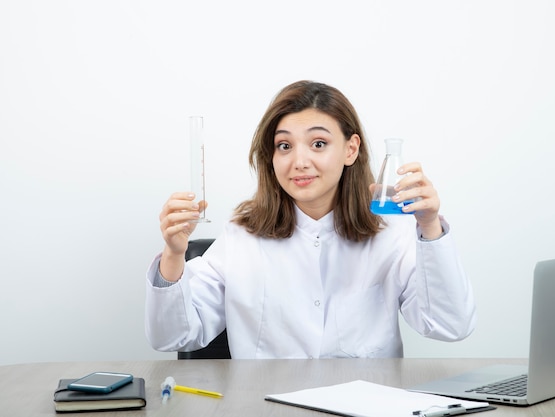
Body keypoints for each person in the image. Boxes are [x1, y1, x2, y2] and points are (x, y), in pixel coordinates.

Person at [145, 80, 476, 359]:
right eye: (284, 145)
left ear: (351, 149)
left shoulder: (391, 231)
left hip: (366, 403)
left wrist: (430, 226)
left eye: (318, 143)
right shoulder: (242, 236)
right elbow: (173, 337)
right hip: (266, 405)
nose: (299, 161)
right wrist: (174, 253)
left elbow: (450, 325)